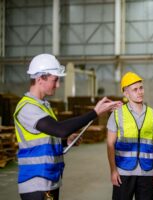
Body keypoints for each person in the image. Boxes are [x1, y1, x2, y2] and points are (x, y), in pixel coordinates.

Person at [13, 53, 122, 200]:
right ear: (40, 79)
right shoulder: (27, 108)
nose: (58, 85)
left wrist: (65, 141)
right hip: (36, 180)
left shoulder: (43, 106)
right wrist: (95, 112)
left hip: (48, 179)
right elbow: (60, 129)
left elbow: (46, 138)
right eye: (55, 80)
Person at [106, 72, 153, 200]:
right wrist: (113, 170)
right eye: (135, 89)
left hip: (146, 171)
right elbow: (110, 145)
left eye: (141, 88)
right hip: (123, 172)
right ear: (126, 93)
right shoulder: (117, 114)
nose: (139, 92)